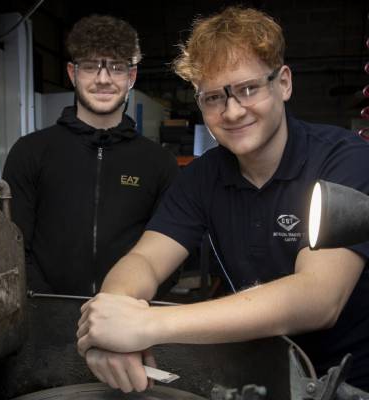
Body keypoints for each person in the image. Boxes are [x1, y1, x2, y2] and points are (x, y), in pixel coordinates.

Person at [76, 6, 369, 394]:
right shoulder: (202, 177)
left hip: (349, 381)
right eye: (213, 97)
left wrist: (147, 325)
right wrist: (111, 324)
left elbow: (318, 297)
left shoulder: (345, 157)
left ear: (283, 83)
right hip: (260, 375)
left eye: (248, 89)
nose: (231, 111)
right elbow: (144, 260)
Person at [2, 14, 178, 296]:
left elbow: (172, 250)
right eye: (90, 66)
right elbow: (11, 245)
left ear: (131, 77)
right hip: (43, 312)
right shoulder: (30, 152)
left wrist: (130, 304)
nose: (103, 79)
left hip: (128, 315)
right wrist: (46, 305)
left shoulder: (159, 163)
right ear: (72, 73)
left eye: (117, 68)